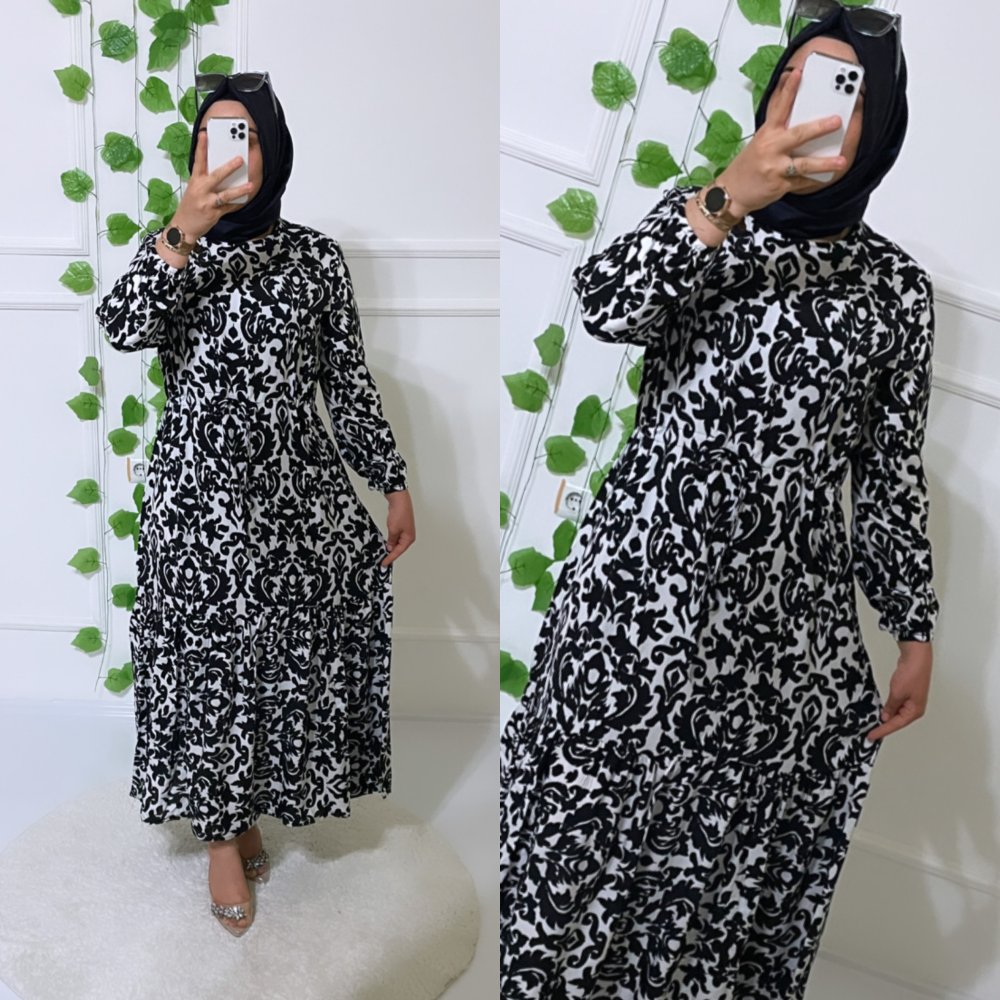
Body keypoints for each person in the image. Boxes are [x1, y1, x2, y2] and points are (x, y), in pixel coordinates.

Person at [500, 6, 936, 997]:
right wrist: (721, 202)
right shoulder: (704, 222)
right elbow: (606, 306)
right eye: (792, 82)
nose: (806, 110)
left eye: (840, 94)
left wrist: (912, 627)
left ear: (879, 124)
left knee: (710, 869)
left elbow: (888, 471)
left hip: (778, 637)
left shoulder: (895, 292)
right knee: (584, 824)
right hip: (637, 599)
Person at [95, 73, 417, 936]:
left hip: (293, 500)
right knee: (208, 670)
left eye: (240, 136)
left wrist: (390, 481)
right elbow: (122, 328)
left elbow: (346, 383)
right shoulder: (177, 248)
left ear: (271, 150)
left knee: (274, 662)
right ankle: (220, 837)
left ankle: (246, 811)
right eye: (208, 137)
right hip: (198, 502)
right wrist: (180, 234)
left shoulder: (315, 258)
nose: (223, 153)